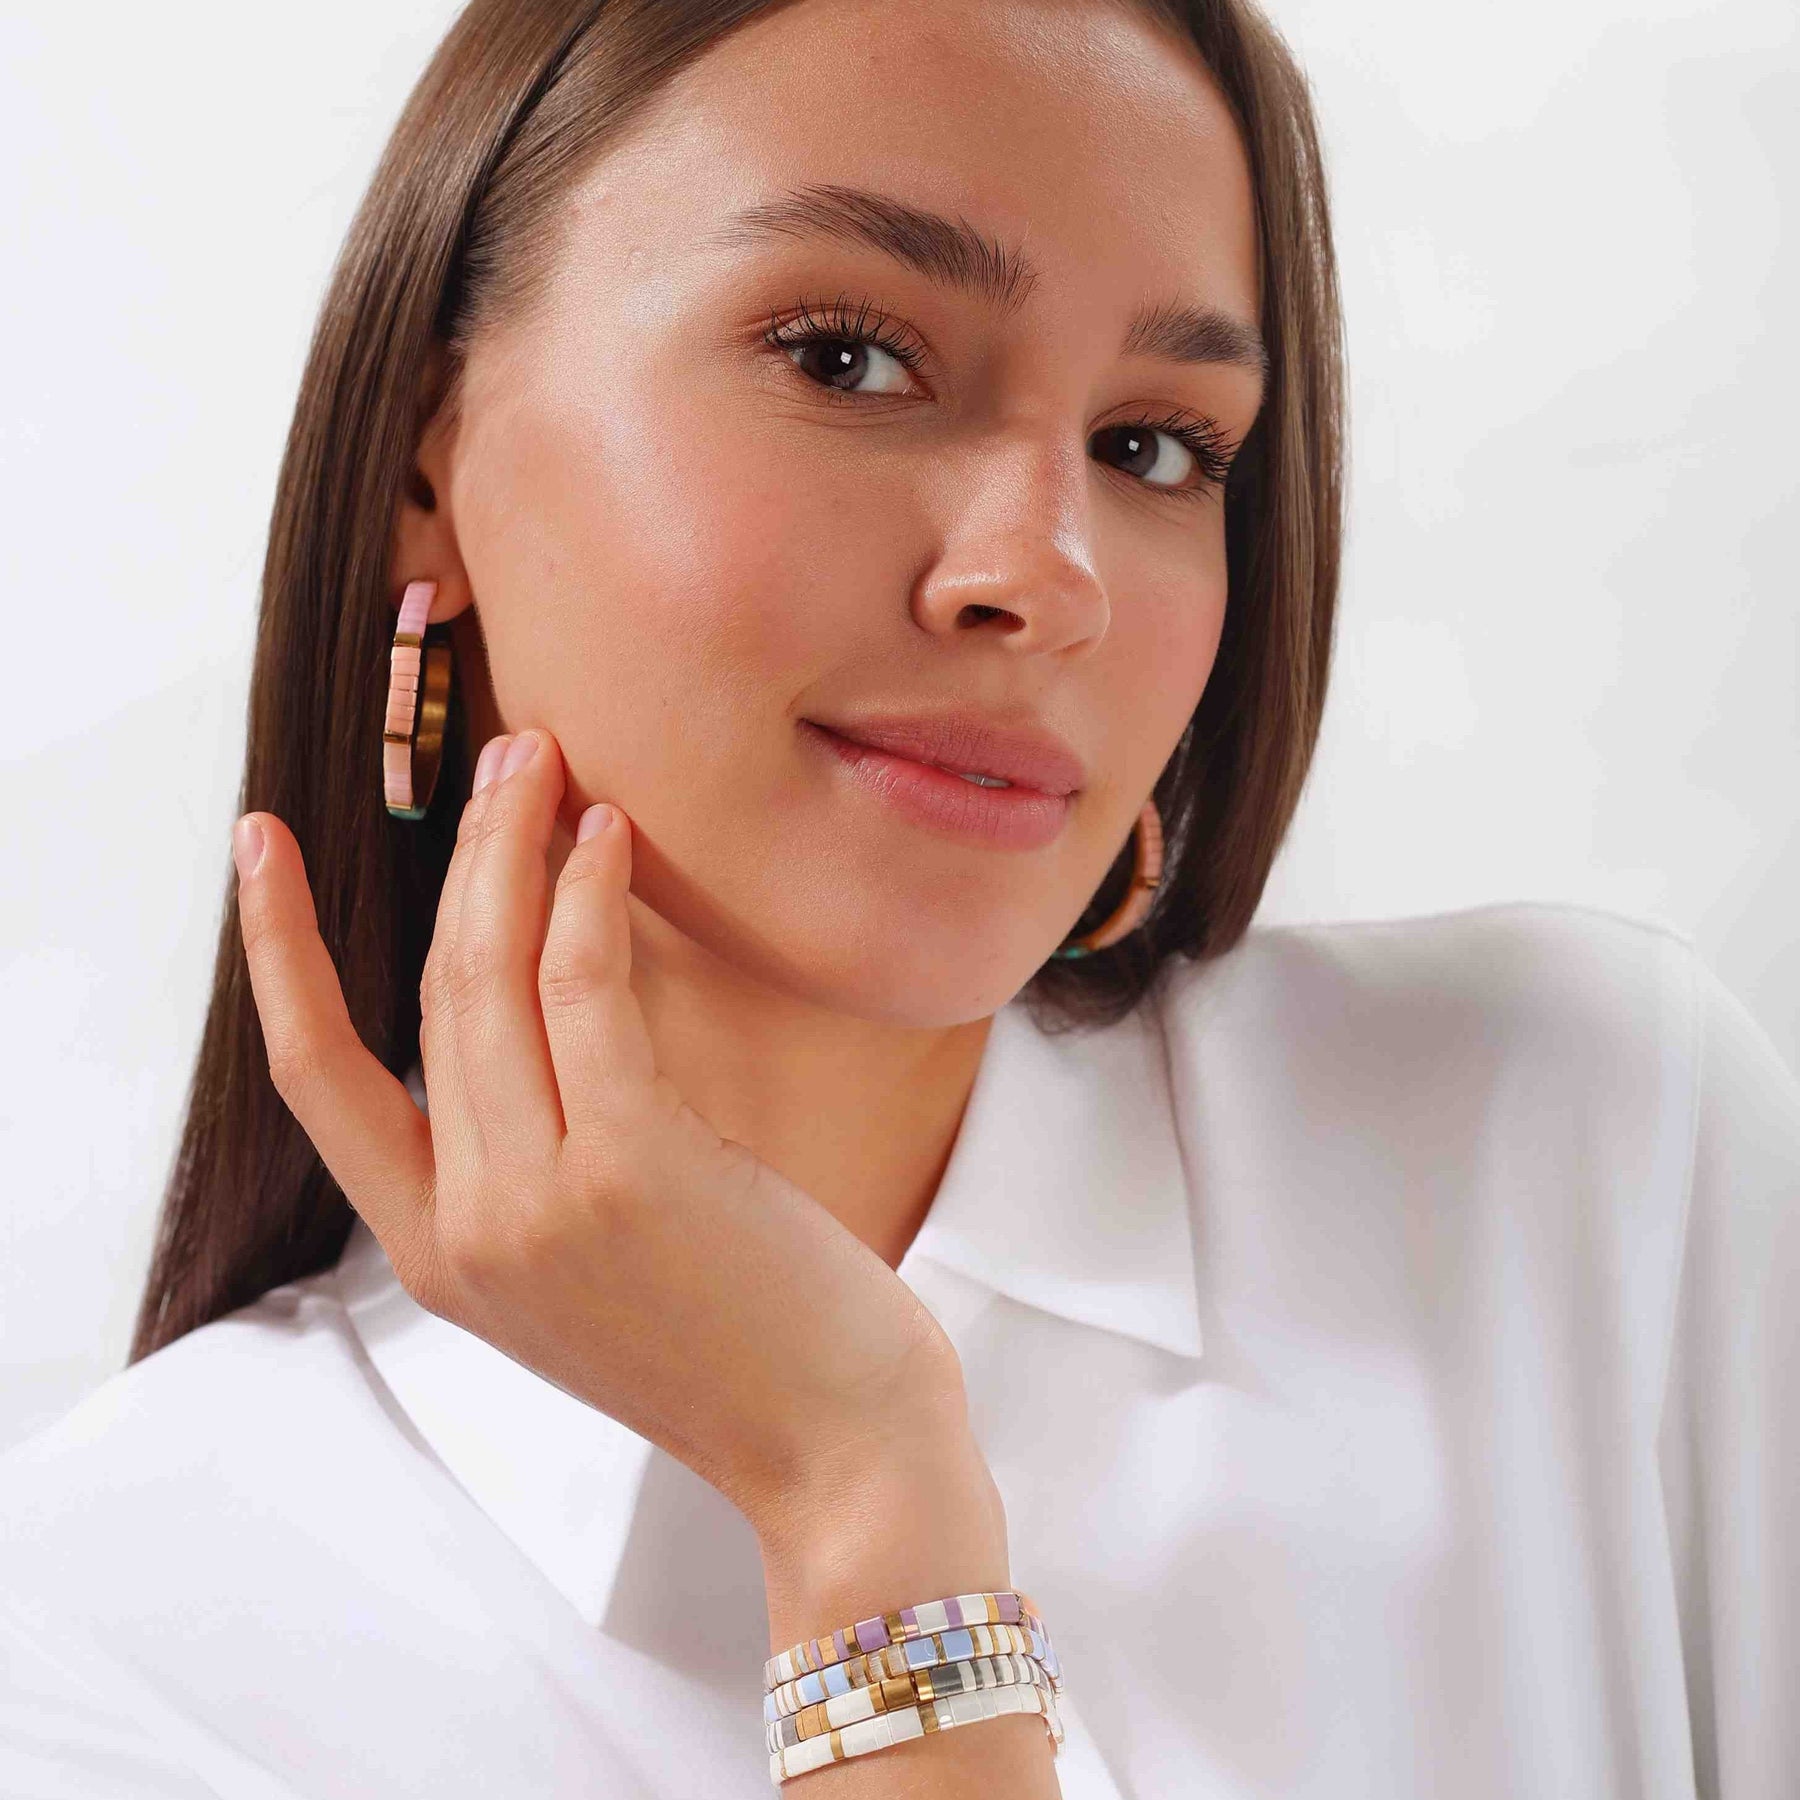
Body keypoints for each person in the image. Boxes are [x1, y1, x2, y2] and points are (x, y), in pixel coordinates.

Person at [3, 0, 1795, 1794]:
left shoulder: (1582, 1164)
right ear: (422, 457)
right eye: (849, 358)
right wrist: (855, 1489)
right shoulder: (117, 1648)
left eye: (1156, 446)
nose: (1047, 574)